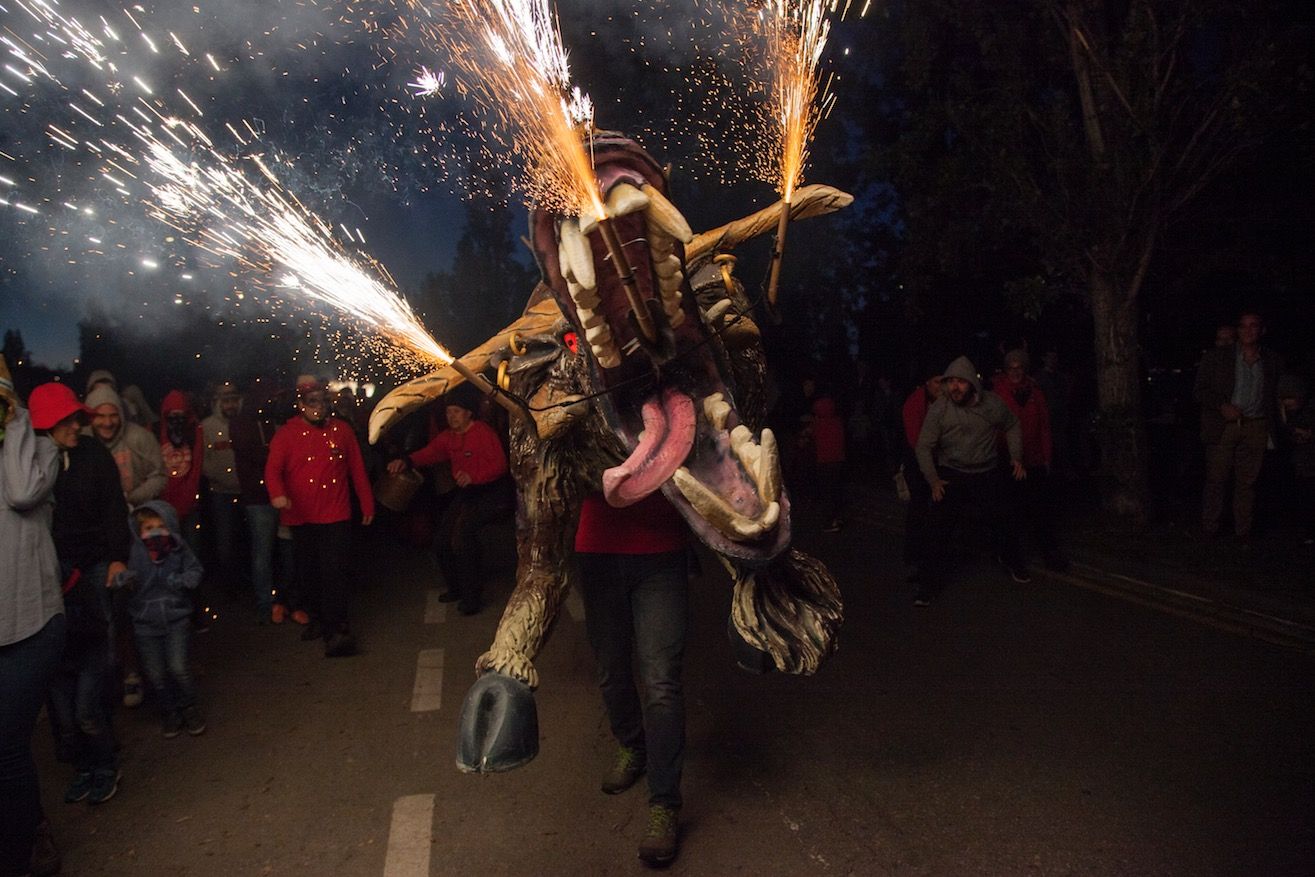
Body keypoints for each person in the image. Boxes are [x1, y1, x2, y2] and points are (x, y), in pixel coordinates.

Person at [576, 491, 690, 867]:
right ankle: (633, 746)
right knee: (611, 672)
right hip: (598, 551)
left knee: (661, 683)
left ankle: (664, 804)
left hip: (661, 553)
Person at [32, 382, 129, 807]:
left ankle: (104, 755)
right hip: (45, 577)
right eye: (67, 419)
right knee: (58, 668)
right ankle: (81, 762)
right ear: (46, 425)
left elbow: (113, 508)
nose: (77, 424)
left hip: (90, 569)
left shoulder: (93, 454)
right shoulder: (30, 463)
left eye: (77, 417)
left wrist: (117, 558)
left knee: (96, 658)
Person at [0, 361, 66, 877]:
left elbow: (21, 494)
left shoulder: (40, 452)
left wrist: (18, 419)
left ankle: (27, 844)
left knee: (6, 744)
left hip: (31, 626)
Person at [265, 377, 374, 656]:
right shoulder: (286, 435)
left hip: (335, 514)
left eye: (322, 402)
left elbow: (357, 470)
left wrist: (367, 504)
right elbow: (273, 470)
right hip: (301, 518)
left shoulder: (342, 431)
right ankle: (318, 619)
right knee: (308, 573)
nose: (318, 408)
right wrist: (277, 494)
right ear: (300, 405)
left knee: (334, 572)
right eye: (312, 402)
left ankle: (337, 627)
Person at [386, 383, 509, 616]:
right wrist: (406, 461)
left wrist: (474, 476)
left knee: (464, 537)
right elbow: (428, 453)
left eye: (456, 411)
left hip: (490, 493)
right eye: (448, 412)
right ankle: (456, 588)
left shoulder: (483, 432)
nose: (450, 416)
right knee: (441, 541)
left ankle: (472, 597)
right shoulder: (449, 437)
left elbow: (500, 465)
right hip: (467, 493)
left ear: (468, 413)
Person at [915, 356, 1028, 603]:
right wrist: (933, 480)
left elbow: (1012, 424)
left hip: (985, 470)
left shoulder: (991, 405)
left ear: (972, 384)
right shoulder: (940, 409)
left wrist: (1016, 456)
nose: (955, 387)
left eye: (961, 382)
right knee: (936, 527)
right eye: (951, 382)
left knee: (1003, 517)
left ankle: (1010, 559)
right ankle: (928, 585)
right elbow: (924, 446)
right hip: (952, 472)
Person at [85, 380, 165, 707]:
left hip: (139, 529)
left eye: (112, 414)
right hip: (100, 537)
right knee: (111, 609)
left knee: (145, 599)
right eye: (99, 416)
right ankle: (122, 672)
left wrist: (132, 498)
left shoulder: (138, 439)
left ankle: (158, 672)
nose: (107, 422)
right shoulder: (85, 444)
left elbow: (160, 474)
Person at [112, 502, 206, 737]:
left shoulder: (178, 549)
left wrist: (182, 581)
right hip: (145, 623)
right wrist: (126, 580)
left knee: (178, 667)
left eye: (161, 526)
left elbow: (195, 571)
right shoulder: (136, 552)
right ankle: (169, 710)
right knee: (156, 673)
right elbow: (127, 579)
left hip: (175, 618)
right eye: (148, 527)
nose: (155, 532)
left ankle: (189, 706)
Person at [1194, 312, 1284, 540]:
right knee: (1217, 478)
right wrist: (1222, 405)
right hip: (1225, 425)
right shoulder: (1217, 357)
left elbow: (1277, 392)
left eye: (1254, 326)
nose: (1248, 330)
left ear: (1262, 330)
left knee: (1247, 483)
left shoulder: (1271, 360)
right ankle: (1210, 527)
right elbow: (1200, 390)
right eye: (1243, 326)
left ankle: (1242, 532)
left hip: (1255, 425)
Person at [992, 349, 1066, 570]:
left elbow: (1044, 426)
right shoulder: (998, 393)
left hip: (1033, 458)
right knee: (1012, 510)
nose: (1015, 372)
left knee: (1041, 508)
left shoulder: (1035, 393)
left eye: (1019, 367)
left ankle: (1049, 552)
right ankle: (1010, 554)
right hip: (1009, 460)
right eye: (1011, 368)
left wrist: (1046, 456)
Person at [230, 382, 285, 623]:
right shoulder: (242, 424)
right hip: (258, 497)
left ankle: (283, 600)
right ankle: (265, 603)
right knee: (263, 552)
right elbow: (256, 454)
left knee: (285, 551)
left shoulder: (275, 422)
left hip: (284, 495)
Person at [900, 365, 944, 583]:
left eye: (943, 381)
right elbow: (915, 440)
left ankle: (933, 555)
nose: (941, 386)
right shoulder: (915, 403)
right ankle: (914, 557)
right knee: (918, 507)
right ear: (928, 383)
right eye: (937, 381)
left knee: (936, 508)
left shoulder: (944, 401)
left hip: (939, 460)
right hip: (918, 462)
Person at [201, 382, 244, 582]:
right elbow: (202, 459)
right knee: (224, 540)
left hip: (246, 493)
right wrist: (221, 478)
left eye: (233, 400)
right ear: (218, 403)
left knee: (244, 539)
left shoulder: (246, 423)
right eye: (226, 401)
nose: (230, 405)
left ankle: (243, 581)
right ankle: (227, 582)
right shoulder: (207, 427)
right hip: (220, 493)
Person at [1277, 375, 1314, 544]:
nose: (1287, 404)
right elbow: (1286, 432)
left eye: (1290, 399)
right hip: (1301, 461)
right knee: (1304, 494)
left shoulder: (1309, 409)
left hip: (1309, 459)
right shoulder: (1286, 413)